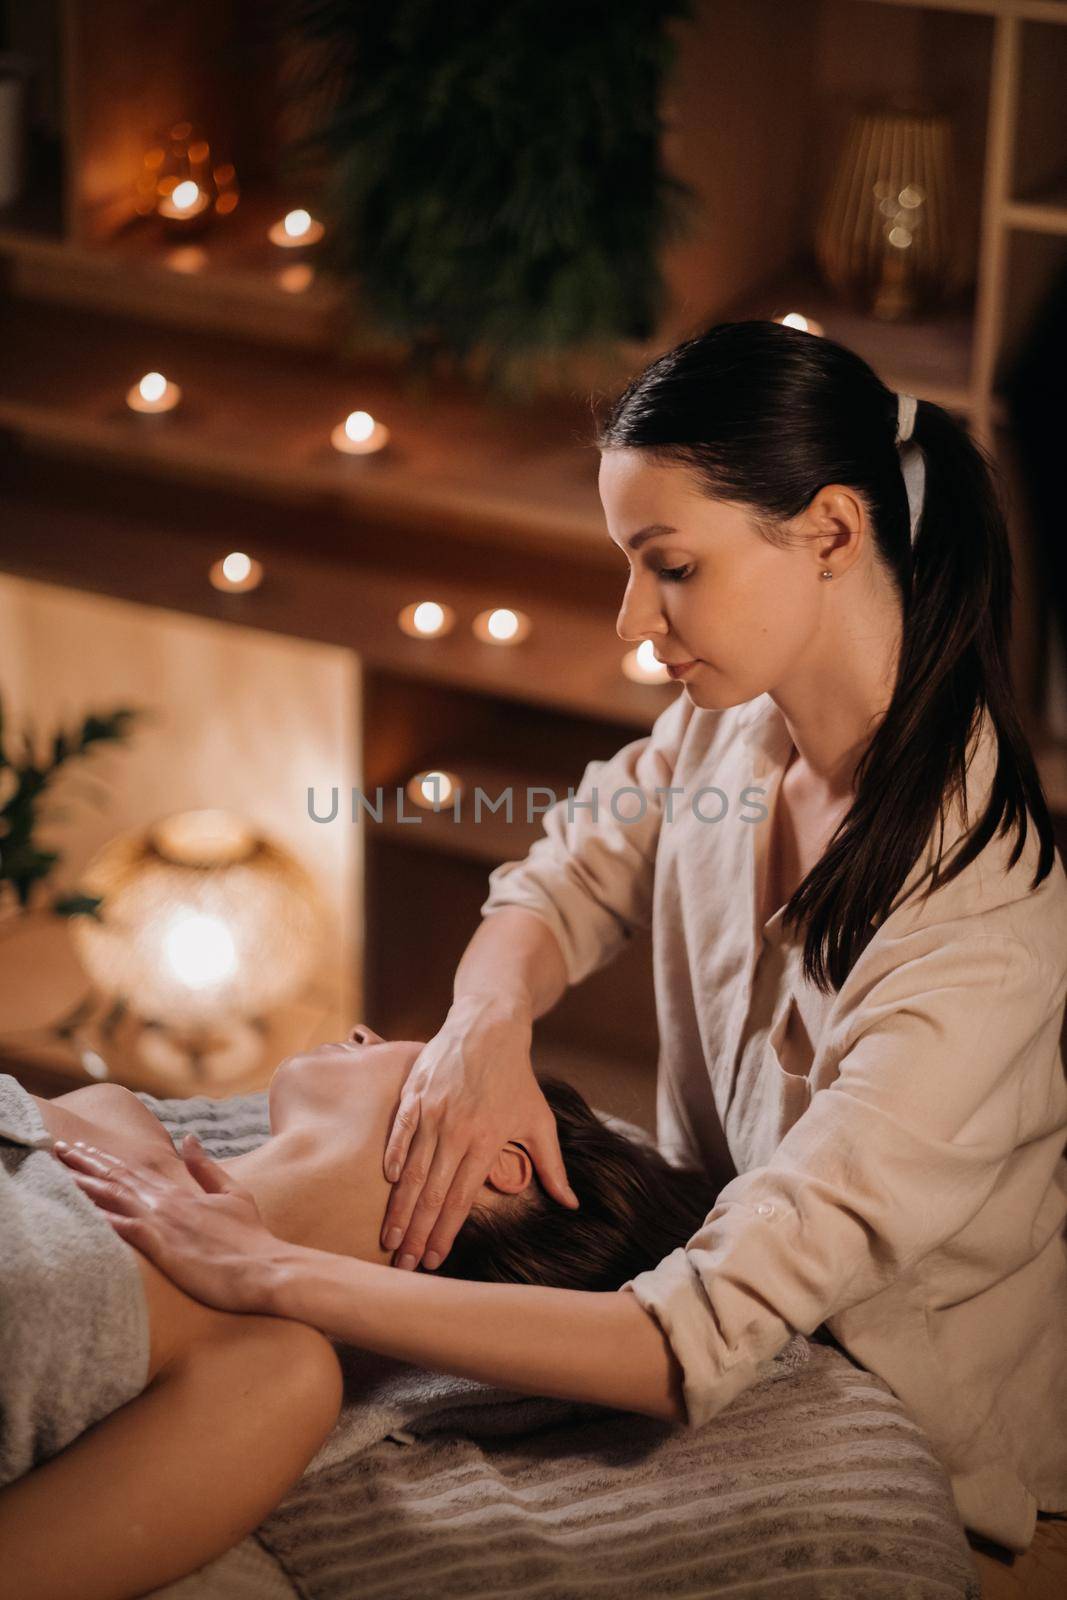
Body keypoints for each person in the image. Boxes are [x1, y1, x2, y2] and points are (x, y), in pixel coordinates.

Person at [60, 318, 1067, 1557]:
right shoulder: (730, 737)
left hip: (880, 1380)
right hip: (707, 1247)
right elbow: (559, 881)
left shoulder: (976, 933)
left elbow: (685, 1336)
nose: (632, 622)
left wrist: (264, 1268)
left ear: (830, 532)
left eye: (671, 565)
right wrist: (484, 1027)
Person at [1, 1038, 712, 1600]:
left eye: (436, 1052)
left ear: (500, 1165)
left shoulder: (272, 1376)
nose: (362, 1031)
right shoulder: (109, 1111)